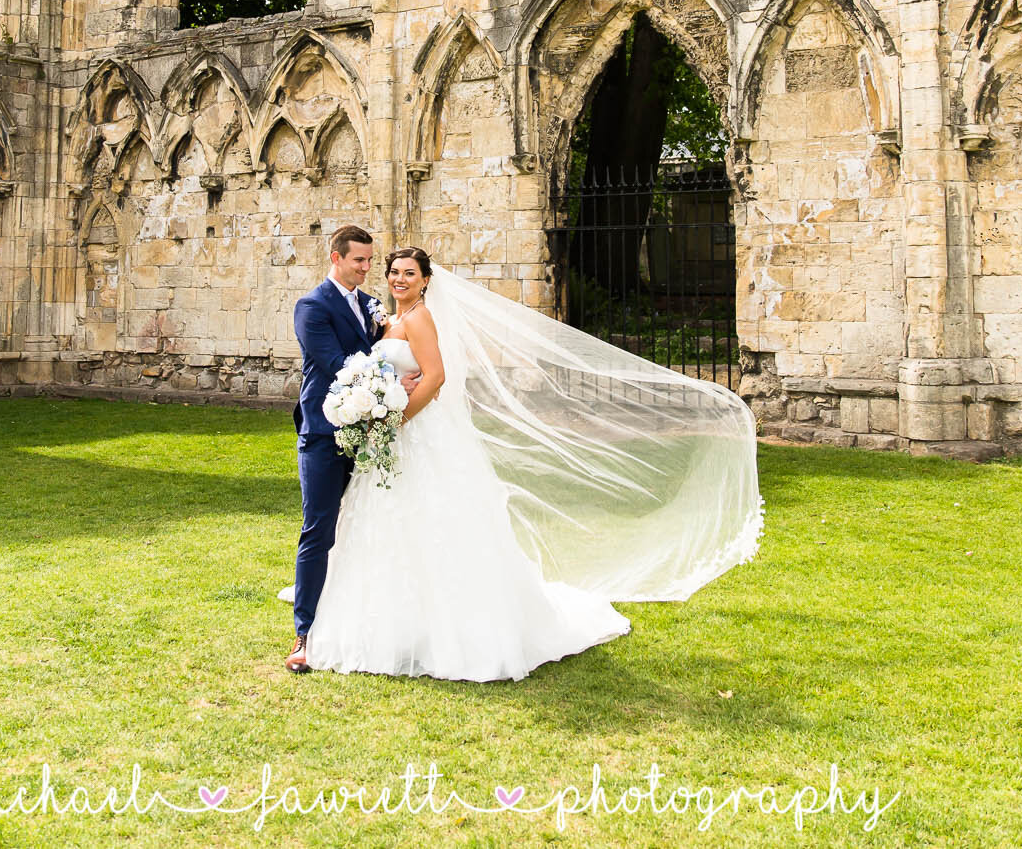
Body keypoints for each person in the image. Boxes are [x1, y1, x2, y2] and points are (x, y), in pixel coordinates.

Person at [298, 247, 763, 683]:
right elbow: (386, 368)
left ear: (425, 281)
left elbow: (436, 377)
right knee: (385, 526)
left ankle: (450, 628)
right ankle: (393, 624)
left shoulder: (420, 318)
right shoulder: (387, 318)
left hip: (414, 432)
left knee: (433, 521)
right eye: (394, 272)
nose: (400, 279)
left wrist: (396, 419)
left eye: (409, 274)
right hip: (392, 439)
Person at [284, 225, 417, 674]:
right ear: (335, 257)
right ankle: (304, 633)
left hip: (369, 433)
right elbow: (338, 365)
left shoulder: (370, 305)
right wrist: (395, 381)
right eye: (358, 260)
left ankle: (369, 622)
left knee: (370, 525)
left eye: (368, 260)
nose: (366, 268)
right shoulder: (312, 307)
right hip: (323, 434)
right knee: (318, 529)